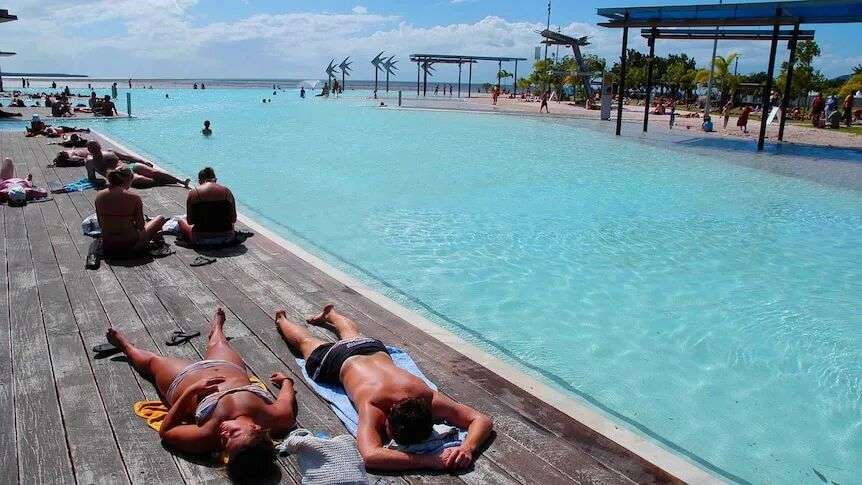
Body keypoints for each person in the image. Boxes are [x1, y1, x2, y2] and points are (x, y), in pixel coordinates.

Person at [276, 304, 493, 472]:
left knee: (350, 334)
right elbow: (371, 456)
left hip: (371, 347)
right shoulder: (375, 406)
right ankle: (282, 319)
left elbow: (482, 419)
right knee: (305, 342)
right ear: (387, 421)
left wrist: (468, 448)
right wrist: (429, 460)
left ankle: (330, 314)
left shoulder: (427, 397)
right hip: (338, 359)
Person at [105, 307, 296, 480]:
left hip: (185, 378)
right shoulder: (278, 417)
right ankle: (217, 329)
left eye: (224, 443)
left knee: (152, 362)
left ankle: (126, 346)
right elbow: (286, 398)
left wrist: (191, 391)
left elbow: (167, 432)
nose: (224, 434)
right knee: (219, 343)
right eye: (234, 433)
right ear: (256, 429)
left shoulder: (208, 436)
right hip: (227, 366)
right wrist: (287, 381)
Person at [94, 166, 169, 256]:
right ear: (128, 180)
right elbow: (140, 226)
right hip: (130, 244)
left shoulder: (99, 196)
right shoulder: (134, 197)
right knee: (160, 219)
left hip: (108, 244)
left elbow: (100, 223)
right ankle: (156, 243)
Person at [86, 140, 189, 189]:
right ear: (89, 150)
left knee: (155, 172)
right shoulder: (90, 162)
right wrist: (103, 182)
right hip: (120, 175)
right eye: (92, 147)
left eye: (95, 145)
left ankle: (181, 181)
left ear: (99, 145)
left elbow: (128, 158)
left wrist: (142, 161)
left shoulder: (110, 151)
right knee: (142, 180)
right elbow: (91, 178)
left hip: (129, 166)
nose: (95, 148)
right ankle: (165, 183)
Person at [178, 167, 236, 245]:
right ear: (215, 179)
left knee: (181, 221)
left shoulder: (194, 192)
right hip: (227, 237)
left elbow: (190, 221)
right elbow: (233, 219)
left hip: (201, 239)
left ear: (200, 181)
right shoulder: (227, 192)